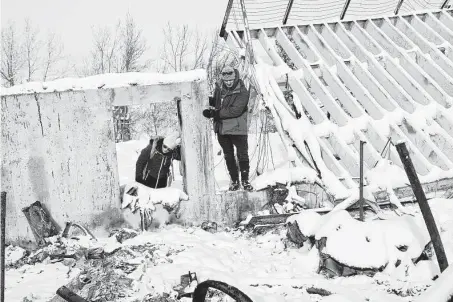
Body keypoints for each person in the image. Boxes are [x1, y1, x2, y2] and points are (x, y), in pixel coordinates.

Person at [202, 66, 253, 191]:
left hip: (237, 128)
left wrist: (215, 114)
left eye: (231, 80)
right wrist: (209, 101)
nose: (229, 83)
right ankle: (235, 181)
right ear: (223, 79)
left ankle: (245, 181)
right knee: (228, 156)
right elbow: (218, 103)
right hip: (222, 129)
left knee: (242, 155)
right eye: (226, 81)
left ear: (235, 78)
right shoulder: (219, 88)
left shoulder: (242, 91)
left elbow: (236, 110)